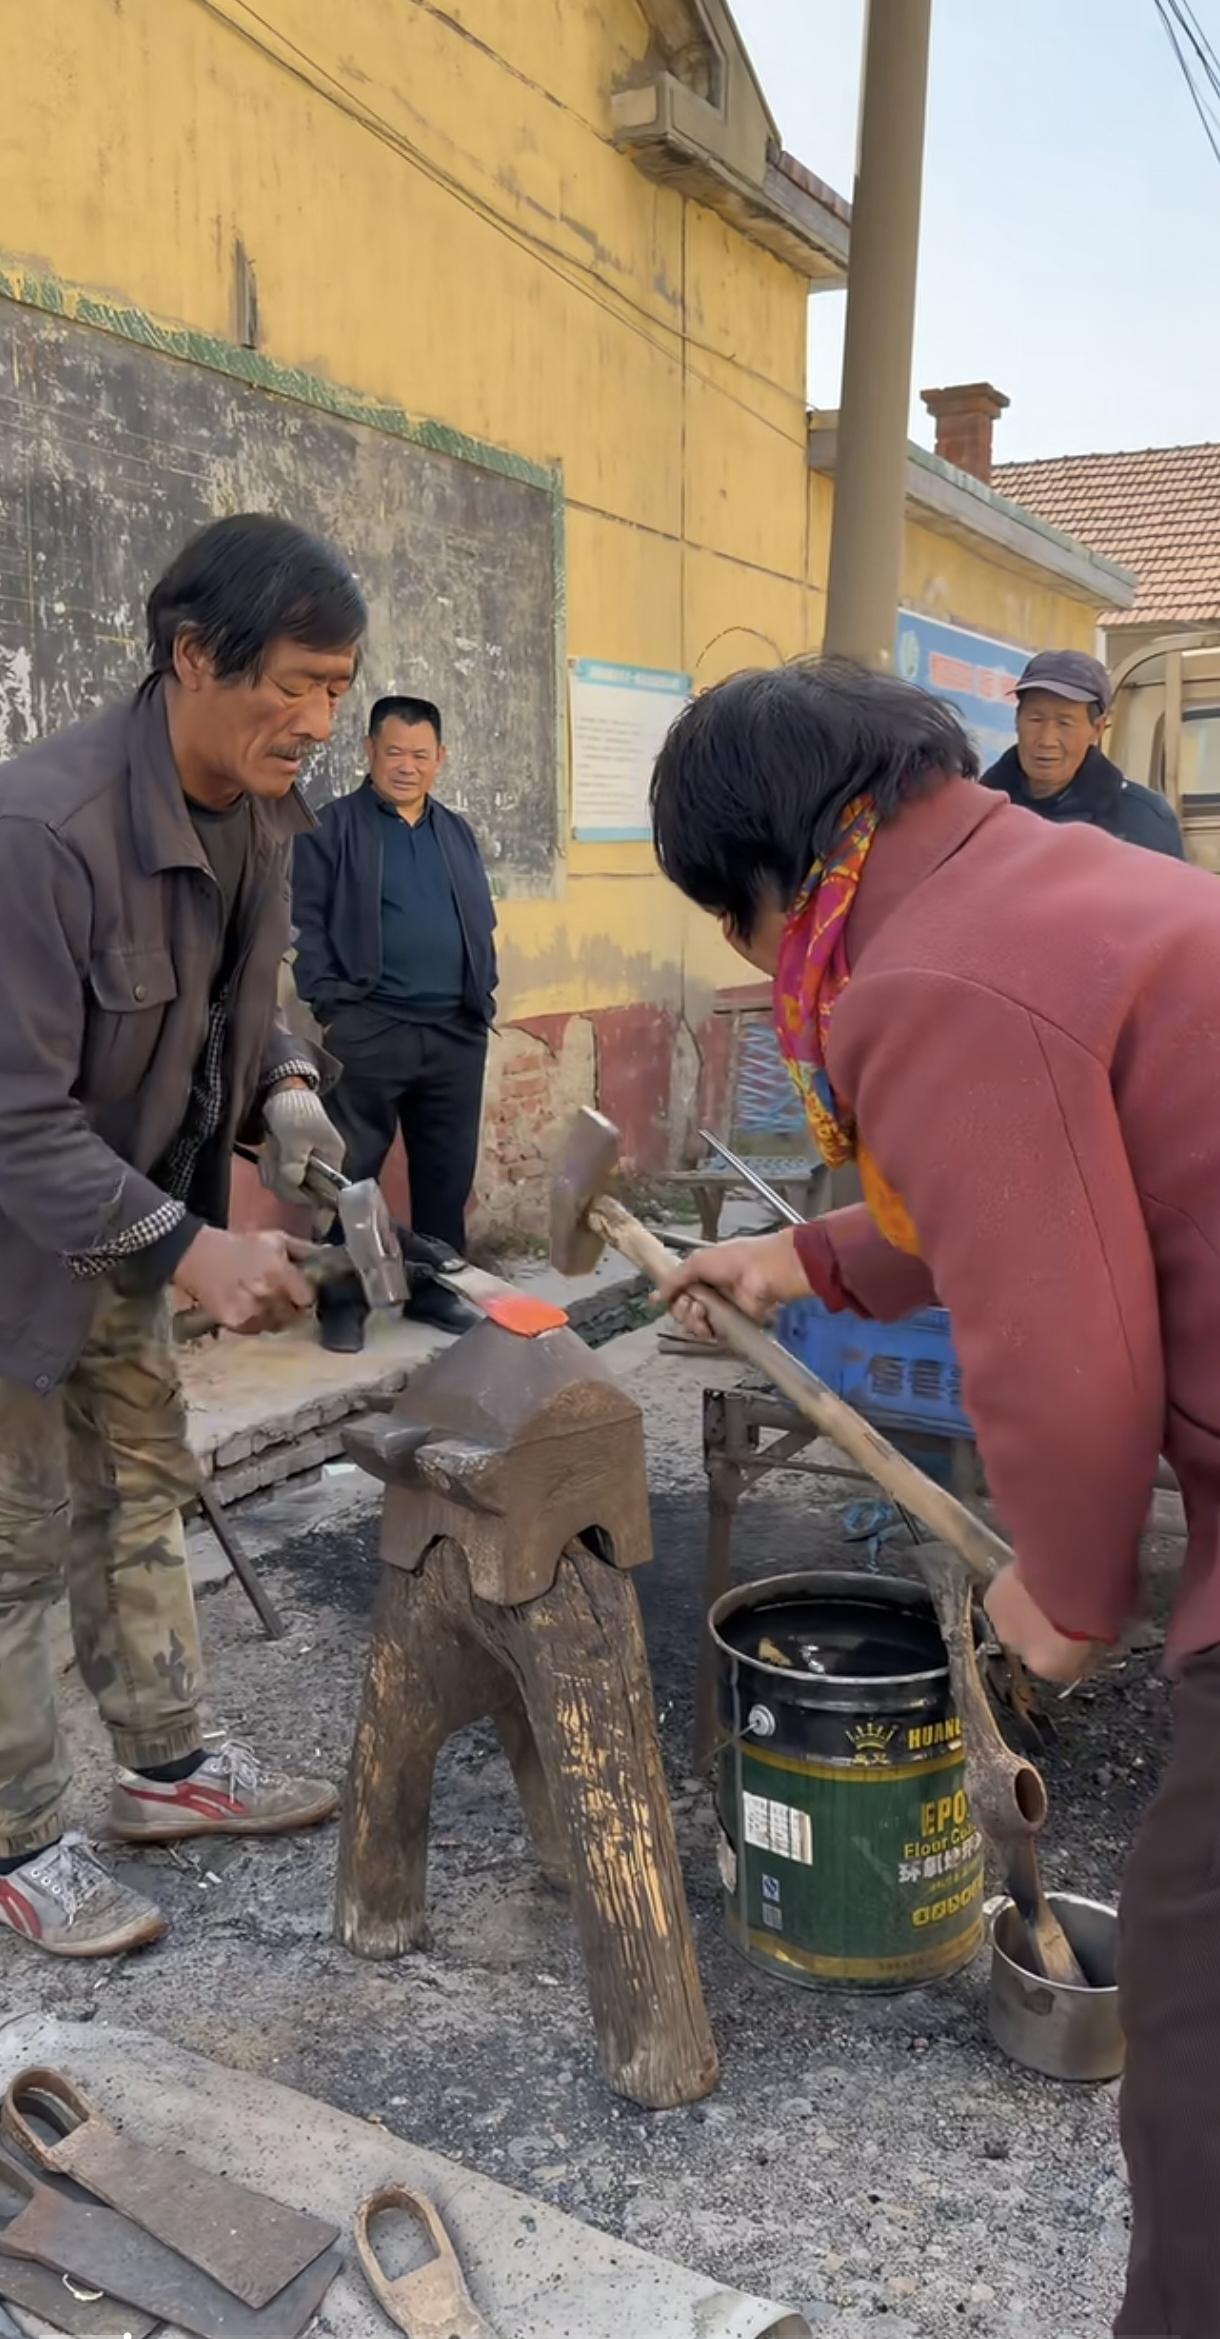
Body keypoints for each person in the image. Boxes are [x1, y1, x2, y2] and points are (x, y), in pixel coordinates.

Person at [651, 656, 1220, 2339]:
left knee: (1195, 2037)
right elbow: (1014, 1182)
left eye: (738, 931)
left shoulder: (929, 975)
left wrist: (1064, 1580)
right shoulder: (1049, 882)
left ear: (773, 870)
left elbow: (1064, 1338)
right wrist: (804, 1251)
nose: (766, 975)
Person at [0, 513, 364, 1959]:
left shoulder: (262, 808)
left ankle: (164, 1769)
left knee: (142, 1494)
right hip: (16, 1248)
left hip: (123, 1232)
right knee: (14, 1550)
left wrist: (284, 1085)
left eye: (340, 685)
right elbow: (13, 1116)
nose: (320, 719)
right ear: (191, 655)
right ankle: (22, 1837)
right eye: (296, 681)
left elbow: (246, 989)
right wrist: (189, 1241)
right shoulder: (43, 833)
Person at [291, 694, 497, 1350]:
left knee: (445, 1175)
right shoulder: (332, 827)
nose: (406, 766)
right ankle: (340, 1302)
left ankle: (434, 1291)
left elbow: (480, 921)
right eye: (393, 752)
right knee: (350, 1175)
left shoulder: (456, 831)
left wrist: (480, 992)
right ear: (369, 753)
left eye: (420, 754)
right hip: (369, 1032)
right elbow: (305, 922)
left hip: (454, 1032)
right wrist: (334, 1008)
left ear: (440, 760)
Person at [983, 647, 1184, 856]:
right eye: (1035, 719)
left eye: (1064, 723)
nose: (1046, 740)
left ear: (1096, 729)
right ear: (1017, 720)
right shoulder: (981, 813)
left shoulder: (1143, 819)